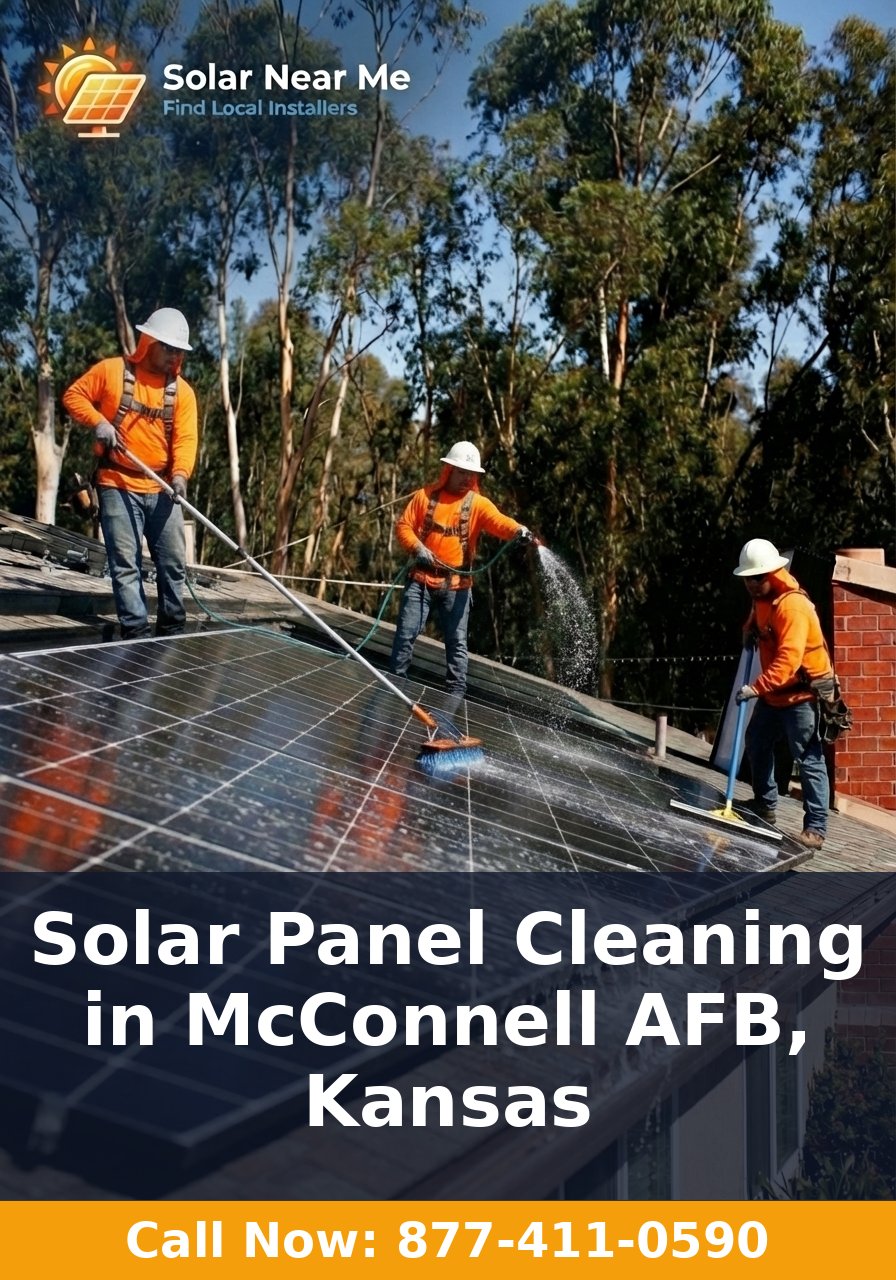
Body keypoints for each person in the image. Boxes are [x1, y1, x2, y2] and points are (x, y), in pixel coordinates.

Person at [63, 308, 198, 639]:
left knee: (172, 565)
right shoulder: (111, 372)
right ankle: (137, 636)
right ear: (148, 342)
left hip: (163, 488)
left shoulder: (182, 393)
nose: (174, 355)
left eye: (179, 350)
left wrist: (180, 476)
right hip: (117, 483)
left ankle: (171, 632)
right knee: (126, 563)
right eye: (168, 347)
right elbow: (73, 396)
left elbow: (185, 439)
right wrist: (99, 422)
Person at [390, 441, 534, 696]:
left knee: (456, 644)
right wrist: (417, 548)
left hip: (457, 586)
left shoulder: (477, 504)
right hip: (421, 579)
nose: (466, 478)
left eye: (471, 473)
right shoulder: (425, 496)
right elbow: (404, 526)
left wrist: (518, 530)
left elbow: (500, 522)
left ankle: (456, 696)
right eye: (461, 472)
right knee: (406, 633)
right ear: (448, 470)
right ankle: (395, 686)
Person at [732, 538, 833, 850]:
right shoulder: (762, 596)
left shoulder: (793, 607)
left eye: (755, 578)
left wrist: (755, 688)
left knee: (808, 757)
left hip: (800, 695)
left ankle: (815, 828)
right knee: (758, 741)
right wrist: (748, 629)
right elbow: (757, 618)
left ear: (770, 574)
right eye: (747, 578)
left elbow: (788, 662)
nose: (749, 584)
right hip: (776, 694)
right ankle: (765, 804)